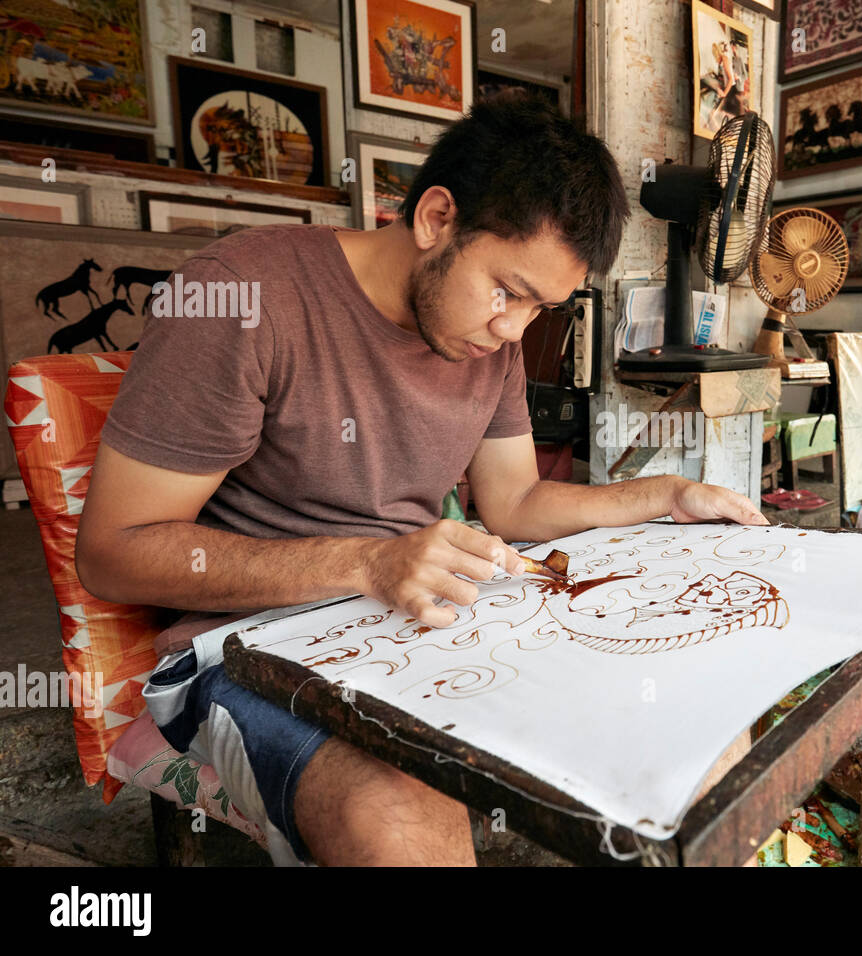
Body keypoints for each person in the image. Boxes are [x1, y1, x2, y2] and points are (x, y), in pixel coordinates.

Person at [76, 93, 767, 866]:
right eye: (506, 290)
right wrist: (366, 563)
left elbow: (514, 503)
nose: (514, 330)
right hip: (242, 646)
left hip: (421, 623)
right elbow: (113, 552)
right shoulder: (243, 296)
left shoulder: (490, 342)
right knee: (398, 820)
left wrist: (665, 495)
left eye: (540, 309)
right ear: (437, 218)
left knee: (701, 725)